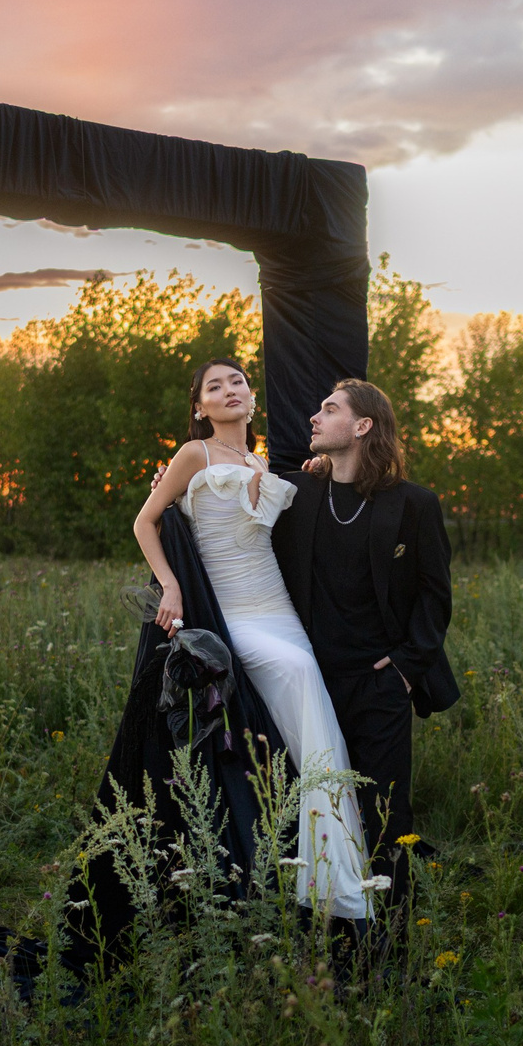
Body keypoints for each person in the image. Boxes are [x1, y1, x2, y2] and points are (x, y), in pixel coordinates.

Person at [128, 358, 369, 925]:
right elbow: (145, 522)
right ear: (200, 407)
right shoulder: (195, 454)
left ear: (251, 399)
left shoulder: (259, 460)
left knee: (304, 726)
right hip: (232, 614)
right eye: (215, 386)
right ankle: (322, 873)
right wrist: (170, 587)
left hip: (280, 610)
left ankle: (319, 870)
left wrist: (311, 471)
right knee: (302, 683)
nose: (229, 390)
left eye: (237, 381)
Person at [274, 378, 457, 883]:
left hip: (381, 682)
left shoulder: (414, 504)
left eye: (329, 409)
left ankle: (394, 937)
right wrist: (170, 484)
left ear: (362, 426)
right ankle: (331, 918)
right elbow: (223, 507)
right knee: (315, 805)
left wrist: (405, 667)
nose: (314, 417)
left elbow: (434, 594)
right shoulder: (296, 493)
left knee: (386, 812)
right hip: (311, 682)